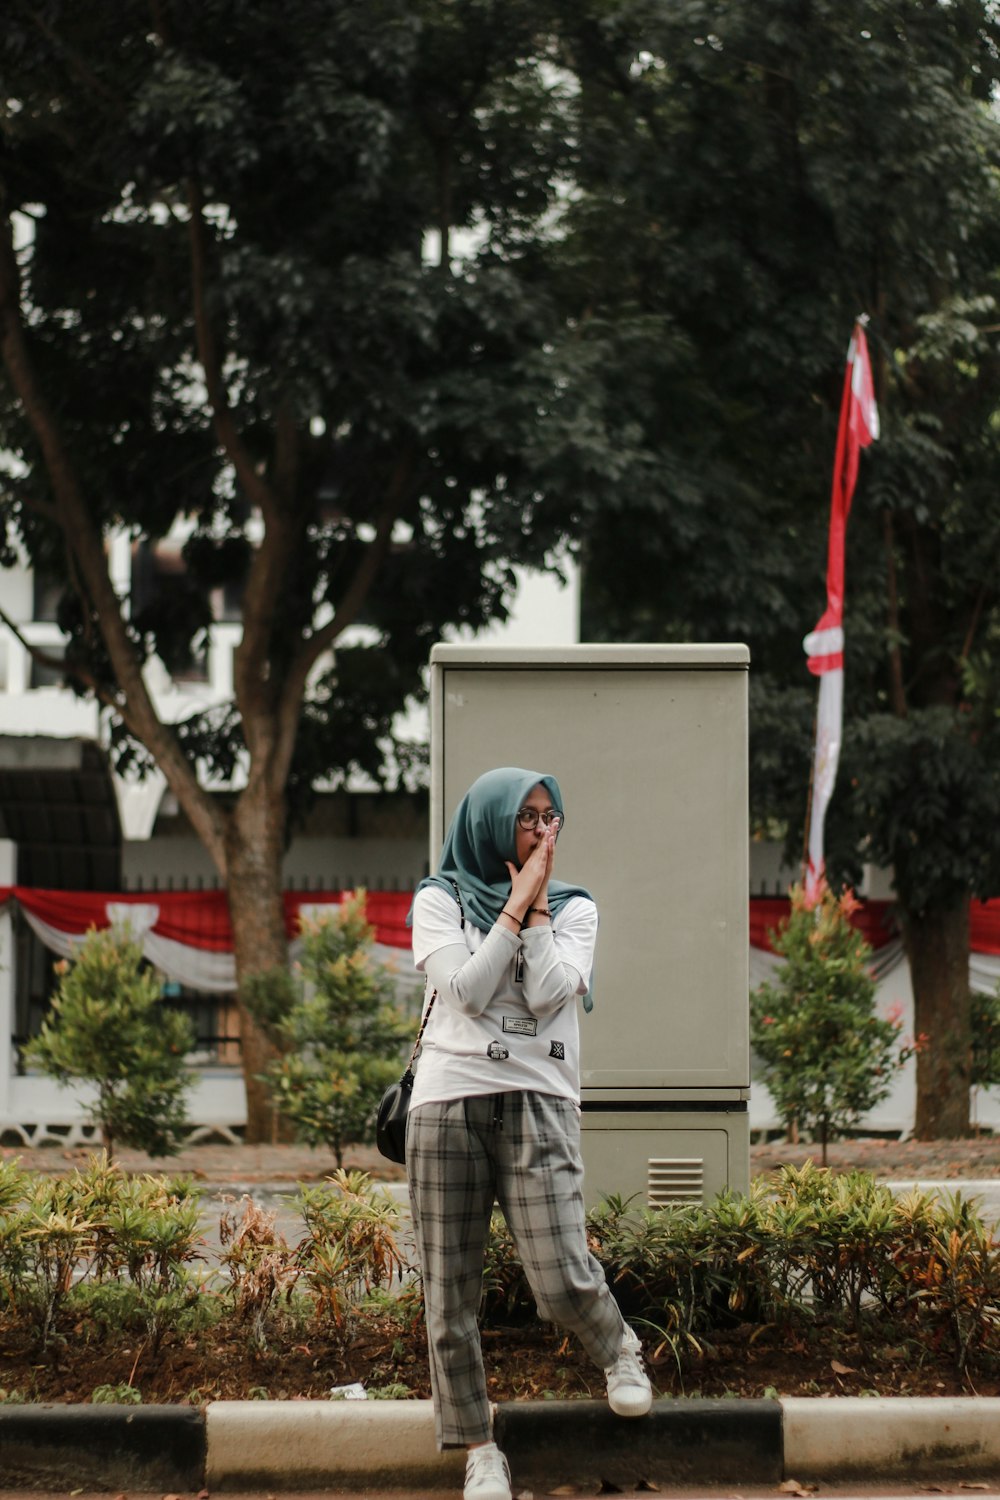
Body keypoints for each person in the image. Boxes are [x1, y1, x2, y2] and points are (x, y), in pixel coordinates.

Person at [407, 766, 652, 1500]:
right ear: (490, 824)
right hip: (447, 1103)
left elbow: (548, 995)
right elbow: (466, 990)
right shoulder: (437, 898)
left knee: (559, 1272)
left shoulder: (577, 910)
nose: (543, 832)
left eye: (552, 818)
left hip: (539, 1099)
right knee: (449, 1297)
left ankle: (621, 1350)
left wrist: (537, 912)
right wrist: (513, 909)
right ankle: (480, 1448)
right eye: (528, 818)